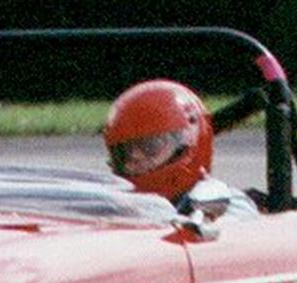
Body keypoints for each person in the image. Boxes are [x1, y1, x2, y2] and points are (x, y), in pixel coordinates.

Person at [103, 79, 258, 222]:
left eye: (150, 146)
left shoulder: (229, 205)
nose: (135, 155)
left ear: (185, 145)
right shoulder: (112, 206)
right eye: (124, 151)